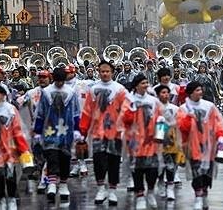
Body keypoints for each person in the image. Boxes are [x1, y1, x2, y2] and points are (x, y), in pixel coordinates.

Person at [80, 61, 128, 206]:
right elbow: (87, 111)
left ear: (112, 72)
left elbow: (126, 111)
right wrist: (82, 131)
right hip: (97, 133)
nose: (105, 74)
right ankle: (101, 188)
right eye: (102, 71)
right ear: (98, 72)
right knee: (98, 161)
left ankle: (112, 190)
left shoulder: (120, 90)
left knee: (114, 161)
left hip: (115, 133)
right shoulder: (93, 89)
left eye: (107, 71)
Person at [33, 67, 81, 202]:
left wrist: (77, 129)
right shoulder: (47, 92)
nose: (60, 83)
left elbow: (76, 112)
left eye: (62, 81)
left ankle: (64, 185)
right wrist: (37, 131)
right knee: (51, 156)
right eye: (57, 81)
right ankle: (52, 184)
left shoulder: (71, 92)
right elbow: (41, 112)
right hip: (50, 130)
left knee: (65, 157)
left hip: (66, 131)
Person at [177, 81, 223, 210]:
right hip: (192, 146)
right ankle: (198, 196)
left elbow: (218, 123)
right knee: (196, 171)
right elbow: (181, 127)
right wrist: (189, 116)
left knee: (207, 173)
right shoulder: (183, 108)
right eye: (197, 90)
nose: (200, 92)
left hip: (209, 146)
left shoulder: (209, 106)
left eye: (201, 90)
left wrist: (221, 136)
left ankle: (204, 193)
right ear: (191, 92)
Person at [121, 74, 163, 210]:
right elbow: (123, 119)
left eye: (146, 82)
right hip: (135, 141)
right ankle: (140, 196)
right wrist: (132, 110)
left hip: (151, 141)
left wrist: (160, 135)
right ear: (136, 85)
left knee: (152, 169)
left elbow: (160, 118)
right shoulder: (129, 100)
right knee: (137, 169)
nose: (146, 85)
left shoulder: (153, 100)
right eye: (143, 83)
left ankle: (150, 191)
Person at [19, 69, 51, 194]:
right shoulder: (32, 92)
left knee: (50, 152)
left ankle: (47, 176)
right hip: (35, 128)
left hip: (50, 128)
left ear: (50, 78)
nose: (42, 80)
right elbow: (19, 102)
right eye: (40, 78)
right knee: (37, 151)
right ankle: (39, 168)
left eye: (45, 77)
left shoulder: (53, 92)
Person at [155, 84, 182, 201]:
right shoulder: (154, 108)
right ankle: (160, 182)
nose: (165, 95)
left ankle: (170, 187)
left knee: (172, 164)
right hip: (158, 140)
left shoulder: (175, 109)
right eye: (162, 93)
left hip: (172, 140)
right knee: (160, 164)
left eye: (167, 93)